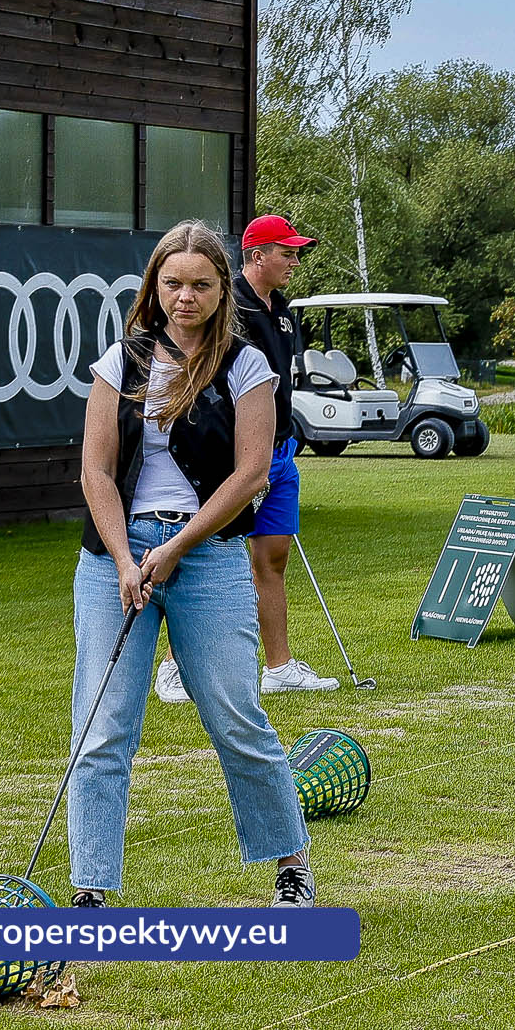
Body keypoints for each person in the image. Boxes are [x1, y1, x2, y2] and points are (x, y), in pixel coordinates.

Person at [71, 220, 314, 909]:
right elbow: (94, 472)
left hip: (206, 554)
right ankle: (89, 891)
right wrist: (125, 558)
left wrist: (175, 548)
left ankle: (291, 865)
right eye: (172, 282)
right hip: (112, 557)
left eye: (200, 284)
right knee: (102, 725)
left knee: (237, 716)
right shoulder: (120, 361)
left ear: (220, 288)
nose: (185, 296)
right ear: (154, 285)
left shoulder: (246, 365)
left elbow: (251, 473)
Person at [154, 215, 335, 703]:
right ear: (258, 255)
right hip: (234, 460)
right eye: (287, 253)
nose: (295, 262)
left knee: (273, 558)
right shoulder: (226, 305)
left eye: (297, 253)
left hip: (280, 453)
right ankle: (173, 668)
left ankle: (278, 667)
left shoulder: (282, 310)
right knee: (203, 556)